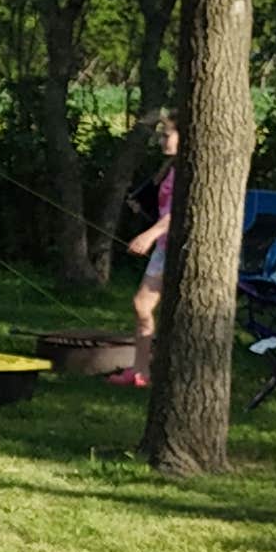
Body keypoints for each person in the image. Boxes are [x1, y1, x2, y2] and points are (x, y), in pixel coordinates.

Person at [110, 117, 181, 391]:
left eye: (167, 135)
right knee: (142, 306)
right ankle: (141, 371)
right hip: (164, 247)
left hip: (173, 247)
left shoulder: (188, 171)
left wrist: (149, 234)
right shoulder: (169, 169)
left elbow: (180, 211)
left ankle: (157, 368)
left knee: (162, 310)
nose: (162, 141)